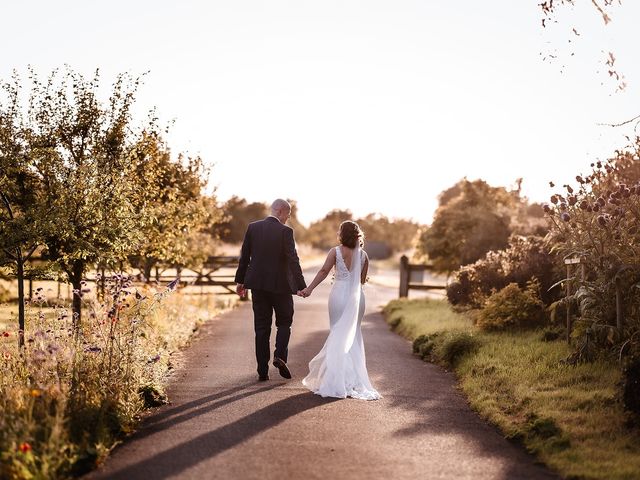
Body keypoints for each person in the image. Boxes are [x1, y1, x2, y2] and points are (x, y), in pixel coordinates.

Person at [301, 221, 381, 400]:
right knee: (353, 336)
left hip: (338, 295)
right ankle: (352, 382)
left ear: (342, 234)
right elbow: (361, 281)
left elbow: (323, 271)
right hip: (357, 298)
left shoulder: (335, 252)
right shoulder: (364, 255)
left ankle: (337, 381)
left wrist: (309, 289)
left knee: (337, 334)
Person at [234, 199, 307, 381]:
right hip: (281, 287)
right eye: (287, 216)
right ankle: (280, 356)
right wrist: (301, 286)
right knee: (284, 322)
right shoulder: (286, 232)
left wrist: (240, 281)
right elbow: (293, 260)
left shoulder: (253, 228)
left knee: (261, 327)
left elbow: (245, 256)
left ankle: (262, 371)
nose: (287, 220)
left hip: (257, 286)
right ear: (280, 211)